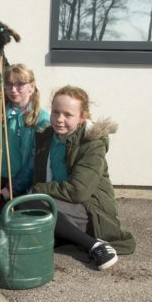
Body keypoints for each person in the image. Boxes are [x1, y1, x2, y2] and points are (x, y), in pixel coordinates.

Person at [30, 86, 135, 270]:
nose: (59, 119)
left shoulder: (92, 143)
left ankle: (95, 245)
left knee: (33, 203)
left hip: (90, 210)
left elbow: (78, 191)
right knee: (23, 210)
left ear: (82, 117)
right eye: (55, 112)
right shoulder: (46, 137)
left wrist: (38, 190)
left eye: (68, 115)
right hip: (62, 205)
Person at [0, 64, 50, 198]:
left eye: (20, 84)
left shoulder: (42, 119)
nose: (13, 90)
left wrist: (12, 188)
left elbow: (35, 160)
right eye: (9, 84)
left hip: (20, 185)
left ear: (31, 87)